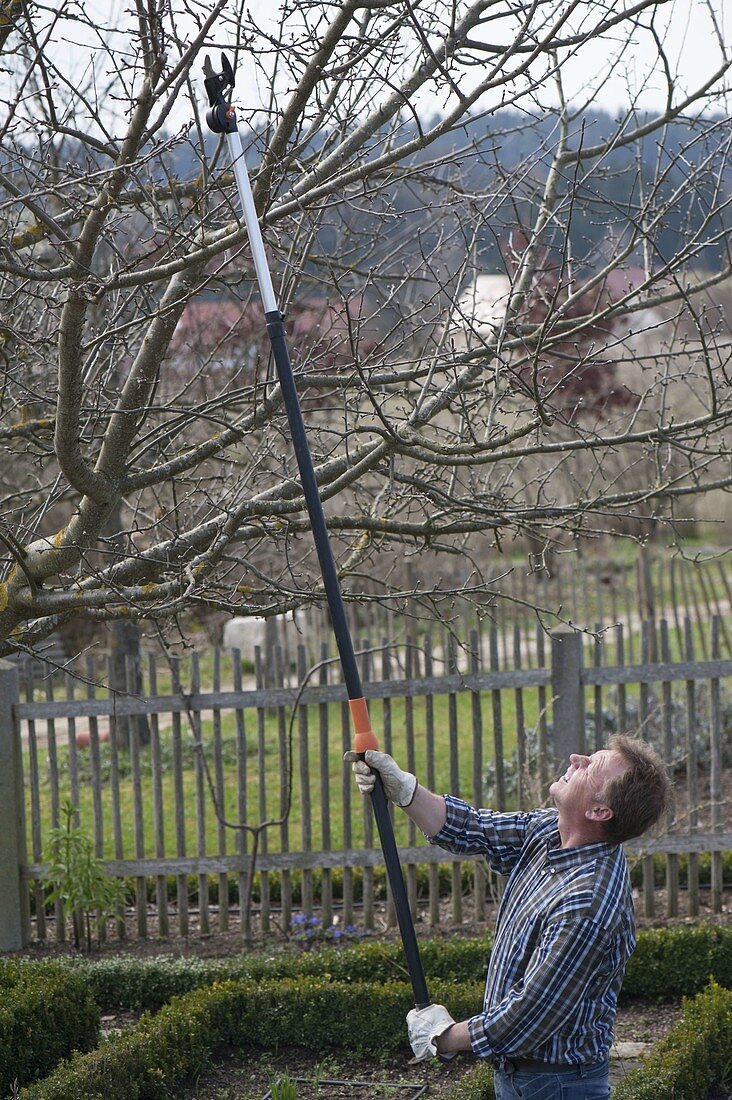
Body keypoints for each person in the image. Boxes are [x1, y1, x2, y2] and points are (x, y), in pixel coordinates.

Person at [345, 735, 672, 1100]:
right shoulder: (551, 831)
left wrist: (444, 1035)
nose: (575, 757)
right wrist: (405, 789)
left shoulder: (587, 906)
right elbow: (475, 829)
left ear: (599, 811)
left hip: (558, 1085)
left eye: (589, 766)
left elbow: (528, 1015)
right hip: (524, 1076)